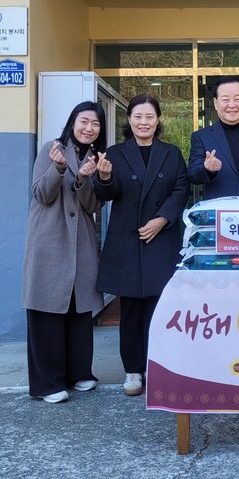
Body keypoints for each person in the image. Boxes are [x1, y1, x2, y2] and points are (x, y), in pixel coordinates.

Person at [94, 95, 189, 397]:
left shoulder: (171, 153)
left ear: (158, 120)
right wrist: (104, 177)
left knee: (160, 310)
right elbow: (106, 194)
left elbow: (181, 189)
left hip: (162, 239)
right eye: (138, 116)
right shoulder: (115, 153)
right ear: (129, 120)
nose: (144, 122)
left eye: (149, 116)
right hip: (128, 240)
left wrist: (162, 218)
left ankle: (157, 367)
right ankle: (133, 370)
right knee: (131, 312)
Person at [22, 101, 110, 404]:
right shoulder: (51, 149)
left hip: (80, 242)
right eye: (84, 121)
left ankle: (78, 373)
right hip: (50, 239)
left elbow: (93, 205)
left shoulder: (97, 159)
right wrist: (59, 168)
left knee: (78, 309)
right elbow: (40, 194)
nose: (89, 128)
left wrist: (84, 179)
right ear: (73, 122)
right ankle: (48, 383)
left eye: (95, 124)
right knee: (47, 308)